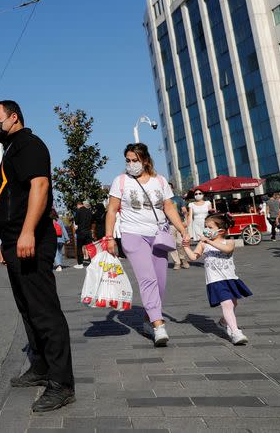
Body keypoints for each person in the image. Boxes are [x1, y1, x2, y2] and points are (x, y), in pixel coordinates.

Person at [0, 100, 75, 412]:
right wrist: (5, 240)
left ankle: (62, 384)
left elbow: (40, 186)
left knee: (44, 311)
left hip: (32, 239)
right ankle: (40, 368)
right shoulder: (13, 148)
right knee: (27, 309)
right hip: (14, 241)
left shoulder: (28, 144)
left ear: (14, 118)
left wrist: (27, 231)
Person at [105, 143, 189, 348]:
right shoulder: (121, 181)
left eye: (135, 160)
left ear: (146, 160)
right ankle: (159, 325)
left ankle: (147, 319)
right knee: (148, 279)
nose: (131, 164)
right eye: (128, 160)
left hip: (159, 235)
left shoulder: (159, 181)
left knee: (160, 282)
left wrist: (183, 230)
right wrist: (109, 237)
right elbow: (112, 210)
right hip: (133, 235)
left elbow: (169, 207)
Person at [183, 213, 252, 345]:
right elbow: (193, 257)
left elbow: (226, 250)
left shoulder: (229, 242)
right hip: (215, 280)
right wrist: (186, 247)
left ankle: (222, 323)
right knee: (227, 304)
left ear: (221, 230)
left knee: (233, 303)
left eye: (209, 227)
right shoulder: (203, 245)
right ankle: (236, 332)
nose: (206, 229)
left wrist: (208, 241)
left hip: (231, 278)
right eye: (205, 226)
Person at [170, 185, 190, 270]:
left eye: (169, 187)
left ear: (172, 188)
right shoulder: (163, 200)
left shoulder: (178, 199)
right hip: (169, 224)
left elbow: (184, 210)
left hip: (180, 223)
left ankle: (183, 259)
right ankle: (176, 262)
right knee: (171, 244)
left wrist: (186, 221)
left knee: (180, 242)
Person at [73, 201, 93, 269]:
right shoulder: (89, 211)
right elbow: (92, 221)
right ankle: (92, 261)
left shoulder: (78, 211)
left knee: (79, 247)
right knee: (90, 247)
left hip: (81, 232)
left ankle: (80, 263)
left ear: (79, 205)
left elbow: (76, 221)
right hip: (88, 231)